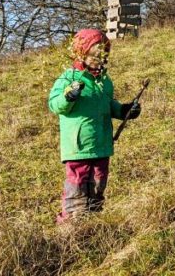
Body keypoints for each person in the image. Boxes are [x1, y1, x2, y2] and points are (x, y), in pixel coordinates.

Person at [48, 28, 141, 220]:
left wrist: (124, 111)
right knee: (78, 187)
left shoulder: (104, 81)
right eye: (94, 54)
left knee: (98, 186)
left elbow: (107, 104)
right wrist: (69, 96)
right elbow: (55, 105)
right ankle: (72, 227)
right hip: (79, 147)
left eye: (103, 54)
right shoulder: (68, 78)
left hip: (101, 145)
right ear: (81, 53)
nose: (99, 59)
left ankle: (94, 222)